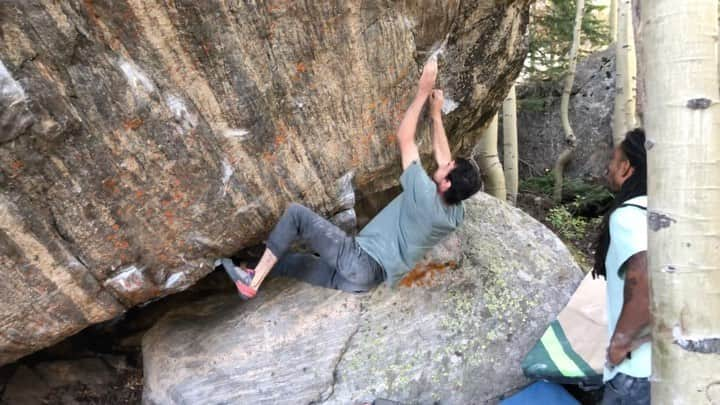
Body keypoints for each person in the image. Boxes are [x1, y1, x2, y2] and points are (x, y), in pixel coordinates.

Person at [221, 59, 481, 299]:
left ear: (446, 183)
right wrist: (435, 115)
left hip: (360, 261)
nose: (445, 163)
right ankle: (241, 268)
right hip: (364, 282)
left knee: (296, 216)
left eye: (448, 168)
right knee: (293, 262)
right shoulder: (455, 214)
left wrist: (423, 92)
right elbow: (445, 160)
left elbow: (405, 138)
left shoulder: (423, 195)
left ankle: (252, 281)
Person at [593, 128, 650, 405]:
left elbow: (643, 278)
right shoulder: (677, 216)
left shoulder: (629, 216)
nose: (608, 167)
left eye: (613, 160)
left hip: (636, 371)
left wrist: (620, 343)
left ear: (626, 168)